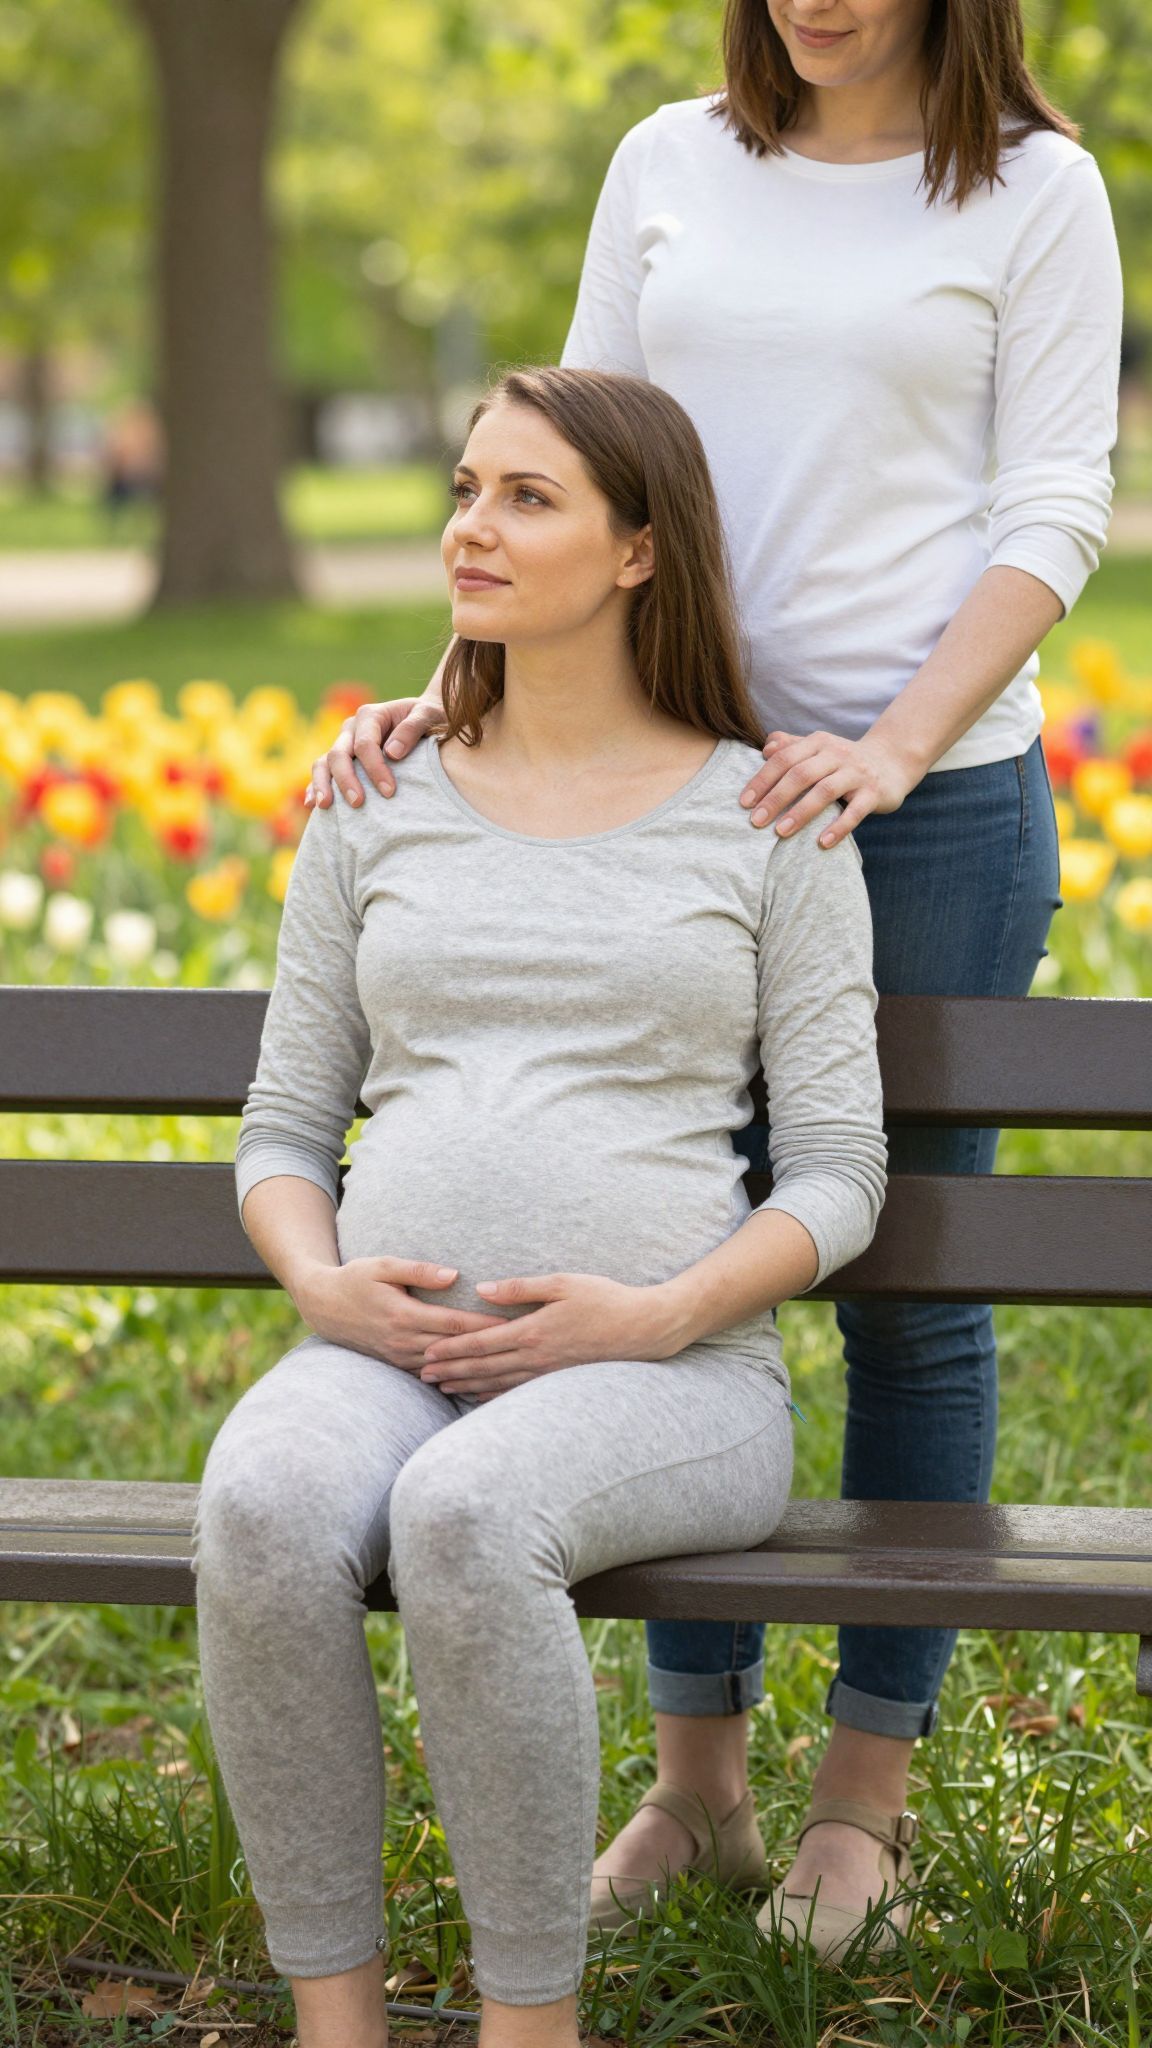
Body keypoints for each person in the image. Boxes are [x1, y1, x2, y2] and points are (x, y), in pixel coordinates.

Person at [301, 0, 1122, 1961]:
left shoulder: (1038, 190)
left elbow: (1053, 509)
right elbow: (566, 455)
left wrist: (895, 748)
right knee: (664, 1253)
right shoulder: (673, 161)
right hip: (660, 784)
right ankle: (695, 1787)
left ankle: (866, 1795)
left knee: (905, 1287)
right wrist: (456, 687)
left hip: (915, 808)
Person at [192, 366, 886, 2048]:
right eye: (462, 488)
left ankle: (529, 2023)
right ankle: (337, 2023)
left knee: (464, 1518)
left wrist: (660, 1315)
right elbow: (284, 1125)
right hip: (388, 1352)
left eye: (526, 498)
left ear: (641, 550)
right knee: (262, 1502)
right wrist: (323, 1287)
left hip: (673, 1380)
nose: (470, 529)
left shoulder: (768, 818)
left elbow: (840, 1175)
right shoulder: (377, 798)